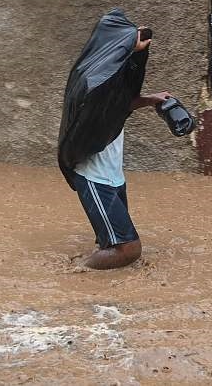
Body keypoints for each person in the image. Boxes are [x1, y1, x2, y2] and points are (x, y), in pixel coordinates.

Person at [69, 27, 171, 270]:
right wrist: (129, 48)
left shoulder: (109, 84)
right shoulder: (91, 79)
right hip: (94, 177)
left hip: (114, 176)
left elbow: (118, 103)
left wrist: (148, 100)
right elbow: (103, 97)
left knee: (110, 244)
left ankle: (99, 294)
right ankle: (75, 272)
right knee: (128, 249)